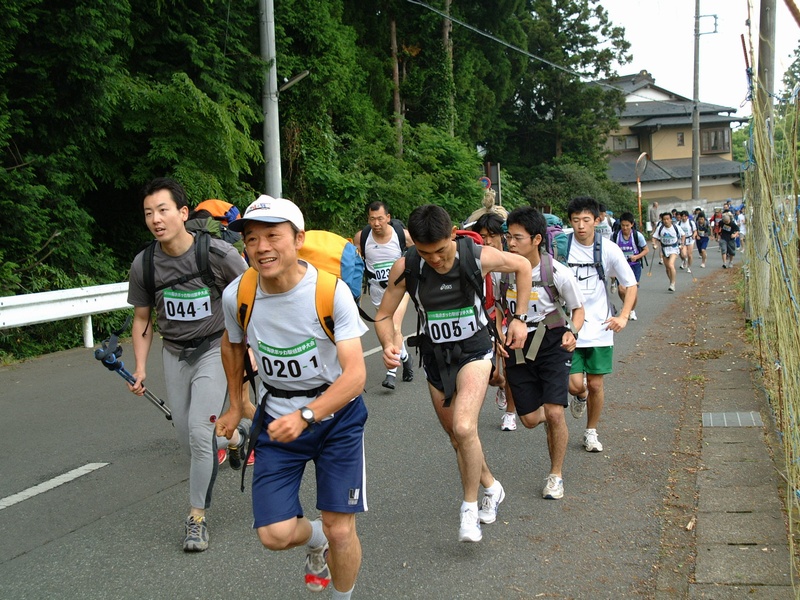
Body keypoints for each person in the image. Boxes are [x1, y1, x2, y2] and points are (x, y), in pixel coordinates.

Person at [216, 196, 369, 599]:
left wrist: (307, 414)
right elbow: (231, 346)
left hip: (336, 416)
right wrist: (235, 405)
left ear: (298, 239)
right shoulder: (238, 295)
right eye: (251, 239)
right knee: (274, 534)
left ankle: (341, 593)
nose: (262, 247)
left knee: (342, 528)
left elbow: (355, 375)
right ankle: (315, 537)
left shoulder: (329, 292)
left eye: (272, 235)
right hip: (278, 416)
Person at [374, 204, 532, 543]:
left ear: (453, 236)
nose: (435, 259)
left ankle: (469, 510)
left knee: (464, 426)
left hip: (475, 349)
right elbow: (384, 314)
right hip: (435, 357)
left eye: (441, 250)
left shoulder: (475, 255)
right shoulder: (407, 266)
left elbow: (521, 265)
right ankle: (491, 486)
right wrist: (389, 343)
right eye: (425, 252)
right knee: (458, 438)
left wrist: (519, 317)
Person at [126, 177, 249, 552]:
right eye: (149, 213)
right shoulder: (144, 264)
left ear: (181, 213)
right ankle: (239, 437)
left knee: (199, 433)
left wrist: (252, 348)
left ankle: (196, 518)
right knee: (190, 438)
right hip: (174, 354)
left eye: (162, 210)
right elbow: (143, 320)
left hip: (215, 348)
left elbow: (250, 296)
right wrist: (141, 367)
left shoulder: (215, 254)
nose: (155, 219)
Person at [500, 207, 585, 498]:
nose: (510, 243)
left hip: (551, 342)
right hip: (516, 345)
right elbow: (496, 307)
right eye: (508, 236)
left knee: (554, 413)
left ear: (537, 239)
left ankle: (555, 475)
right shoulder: (502, 271)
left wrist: (573, 331)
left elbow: (578, 309)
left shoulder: (557, 273)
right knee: (529, 419)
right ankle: (553, 413)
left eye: (517, 238)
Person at [564, 197, 638, 453]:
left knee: (596, 383)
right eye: (575, 220)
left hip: (600, 326)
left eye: (586, 220)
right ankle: (580, 395)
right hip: (569, 327)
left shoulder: (609, 249)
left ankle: (591, 431)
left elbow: (631, 285)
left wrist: (624, 316)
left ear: (597, 220)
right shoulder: (561, 246)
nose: (581, 226)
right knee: (574, 384)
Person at [352, 201, 414, 390]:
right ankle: (405, 357)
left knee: (394, 325)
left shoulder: (402, 236)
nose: (376, 223)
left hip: (400, 289)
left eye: (380, 218)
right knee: (386, 333)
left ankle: (391, 373)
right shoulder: (361, 237)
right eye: (372, 219)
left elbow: (419, 253)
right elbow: (356, 265)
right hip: (378, 290)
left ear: (388, 217)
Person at [471, 212, 518, 432]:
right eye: (482, 235)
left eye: (492, 235)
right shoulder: (476, 260)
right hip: (486, 320)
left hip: (510, 320)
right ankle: (499, 384)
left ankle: (510, 413)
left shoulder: (513, 259)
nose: (487, 240)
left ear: (503, 236)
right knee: (490, 374)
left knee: (510, 368)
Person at [612, 212, 649, 321]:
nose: (625, 228)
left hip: (634, 266)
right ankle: (627, 306)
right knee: (621, 289)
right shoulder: (615, 236)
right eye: (623, 225)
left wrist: (637, 256)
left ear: (632, 224)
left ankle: (630, 310)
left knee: (632, 289)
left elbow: (646, 250)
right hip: (620, 267)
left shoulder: (638, 236)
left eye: (627, 225)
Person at [652, 212, 684, 292]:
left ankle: (673, 284)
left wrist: (682, 244)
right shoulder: (660, 228)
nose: (666, 221)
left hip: (674, 248)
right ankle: (671, 281)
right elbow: (654, 237)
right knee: (667, 268)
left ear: (671, 219)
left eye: (667, 219)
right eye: (664, 219)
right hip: (664, 249)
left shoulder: (676, 227)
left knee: (670, 264)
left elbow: (683, 235)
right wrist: (654, 244)